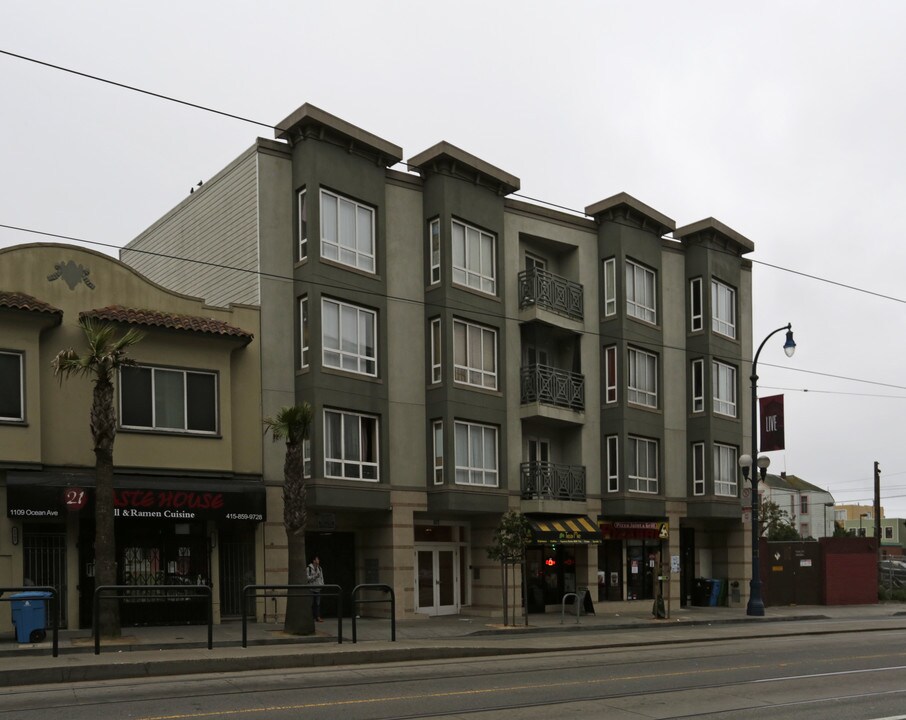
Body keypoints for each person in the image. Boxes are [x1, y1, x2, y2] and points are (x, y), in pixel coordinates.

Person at [306, 555, 324, 622]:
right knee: (311, 604)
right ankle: (311, 617)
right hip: (311, 589)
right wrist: (315, 576)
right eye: (317, 559)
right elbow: (307, 578)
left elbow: (322, 577)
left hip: (318, 589)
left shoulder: (320, 568)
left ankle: (318, 617)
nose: (318, 561)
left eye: (318, 559)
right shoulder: (309, 568)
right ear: (313, 560)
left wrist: (322, 584)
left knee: (318, 604)